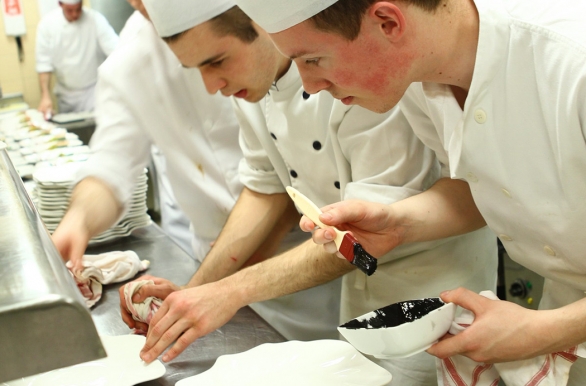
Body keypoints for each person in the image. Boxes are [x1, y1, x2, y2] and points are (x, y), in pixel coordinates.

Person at [130, 2, 498, 383]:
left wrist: (228, 292)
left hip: (433, 286)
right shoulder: (257, 85)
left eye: (217, 61)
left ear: (260, 27)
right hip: (360, 288)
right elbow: (265, 189)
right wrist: (194, 293)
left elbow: (361, 235)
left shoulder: (357, 75)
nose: (212, 86)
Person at [234, 0, 586, 382]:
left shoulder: (572, 62)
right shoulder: (420, 80)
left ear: (387, 22)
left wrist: (544, 330)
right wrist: (401, 223)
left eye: (314, 60)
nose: (309, 86)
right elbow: (480, 188)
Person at [51, 2, 245, 270]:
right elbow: (113, 161)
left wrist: (251, 235)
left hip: (299, 249)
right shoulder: (131, 54)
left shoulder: (247, 14)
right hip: (212, 260)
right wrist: (79, 219)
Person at [35, 0, 118, 117]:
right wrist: (45, 96)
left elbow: (115, 50)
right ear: (60, 5)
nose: (75, 14)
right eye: (69, 10)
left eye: (78, 9)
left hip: (93, 92)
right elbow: (44, 65)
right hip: (65, 95)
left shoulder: (95, 19)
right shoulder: (47, 25)